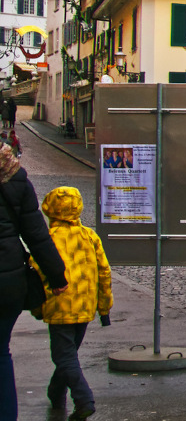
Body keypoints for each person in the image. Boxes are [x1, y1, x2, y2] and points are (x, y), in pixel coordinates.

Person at [0, 142, 66, 421]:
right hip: (8, 282)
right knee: (1, 353)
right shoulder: (13, 175)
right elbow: (37, 234)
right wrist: (57, 276)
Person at [35, 186, 111, 421]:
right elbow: (104, 272)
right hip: (85, 306)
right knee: (68, 354)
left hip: (59, 306)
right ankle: (55, 392)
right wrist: (104, 308)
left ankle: (83, 399)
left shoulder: (47, 240)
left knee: (64, 356)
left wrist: (37, 308)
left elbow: (37, 274)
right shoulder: (89, 236)